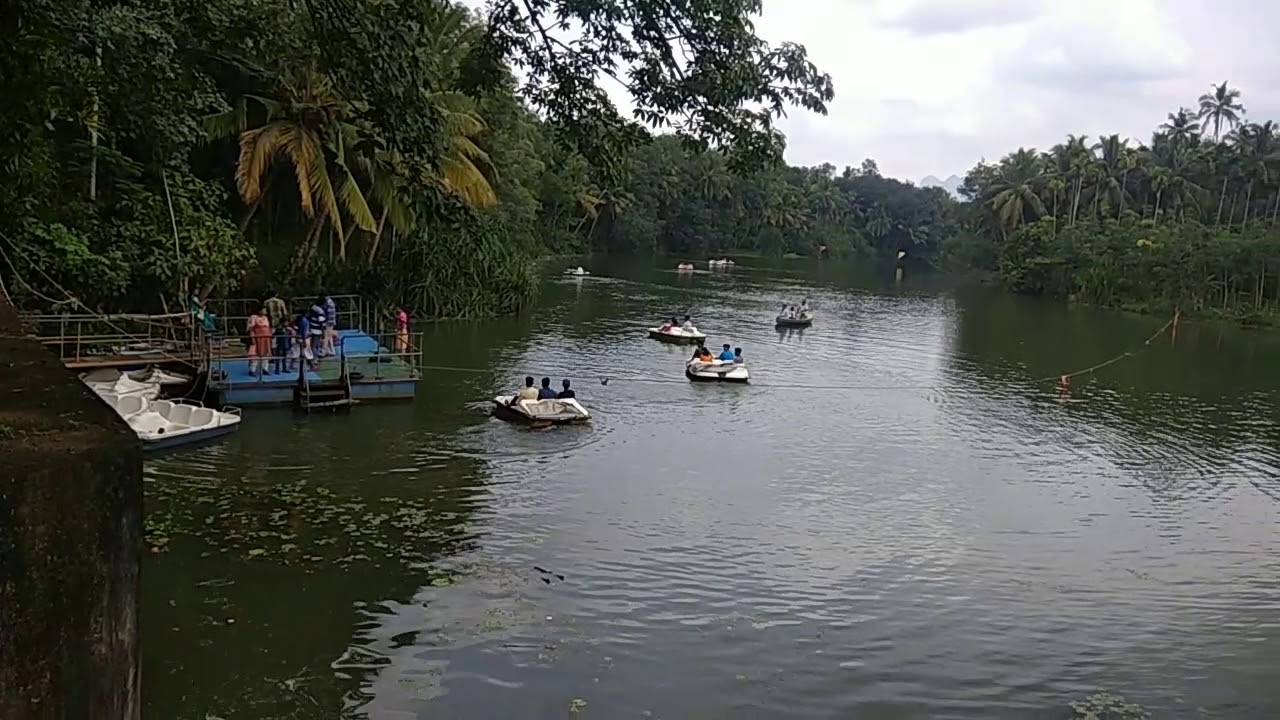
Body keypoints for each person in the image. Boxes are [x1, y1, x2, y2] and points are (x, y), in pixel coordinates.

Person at [246, 307, 272, 375]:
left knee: (266, 354)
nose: (265, 311)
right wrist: (252, 338)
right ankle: (252, 370)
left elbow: (267, 327)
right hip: (258, 338)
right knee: (256, 354)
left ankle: (265, 369)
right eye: (264, 310)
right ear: (259, 310)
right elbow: (251, 329)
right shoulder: (253, 317)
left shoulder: (266, 318)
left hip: (266, 338)